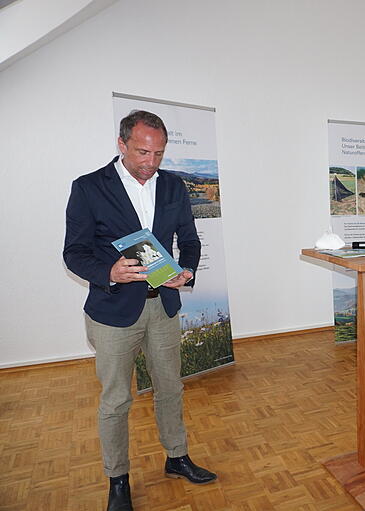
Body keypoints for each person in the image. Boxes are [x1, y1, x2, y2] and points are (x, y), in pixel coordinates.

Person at [64, 110, 216, 511]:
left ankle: (177, 457)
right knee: (116, 400)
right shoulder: (89, 187)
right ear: (121, 144)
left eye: (159, 153)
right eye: (142, 152)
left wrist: (186, 272)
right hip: (113, 312)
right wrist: (110, 272)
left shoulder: (173, 186)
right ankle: (118, 480)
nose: (151, 162)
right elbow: (74, 253)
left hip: (163, 307)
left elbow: (190, 240)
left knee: (171, 388)